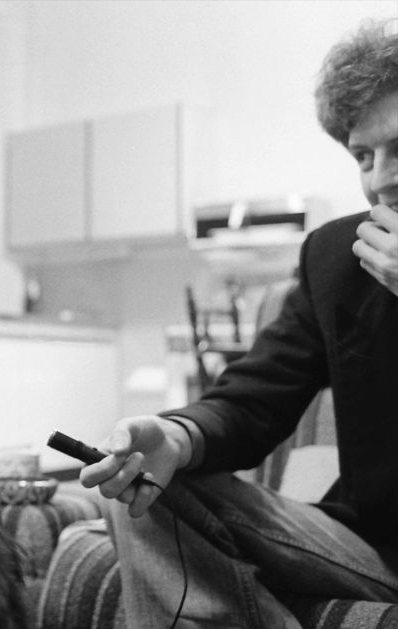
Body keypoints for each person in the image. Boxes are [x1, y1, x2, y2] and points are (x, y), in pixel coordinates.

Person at [79, 19, 398, 628]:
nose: (381, 177)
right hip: (371, 545)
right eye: (364, 156)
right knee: (146, 483)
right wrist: (175, 436)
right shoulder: (337, 258)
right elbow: (256, 398)